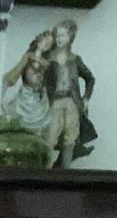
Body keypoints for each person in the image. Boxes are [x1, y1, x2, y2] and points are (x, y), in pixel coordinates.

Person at [44, 19, 97, 168]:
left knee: (70, 137)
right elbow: (42, 81)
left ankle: (65, 171)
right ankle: (45, 169)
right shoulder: (49, 59)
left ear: (70, 37)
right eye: (57, 35)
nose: (59, 39)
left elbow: (90, 78)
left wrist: (86, 98)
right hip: (55, 101)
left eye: (63, 35)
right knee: (51, 135)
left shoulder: (75, 60)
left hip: (72, 101)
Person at [1, 29, 54, 139]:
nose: (47, 46)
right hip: (26, 97)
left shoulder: (47, 62)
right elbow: (12, 76)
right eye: (46, 42)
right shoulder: (29, 57)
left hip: (39, 99)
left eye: (50, 44)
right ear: (39, 41)